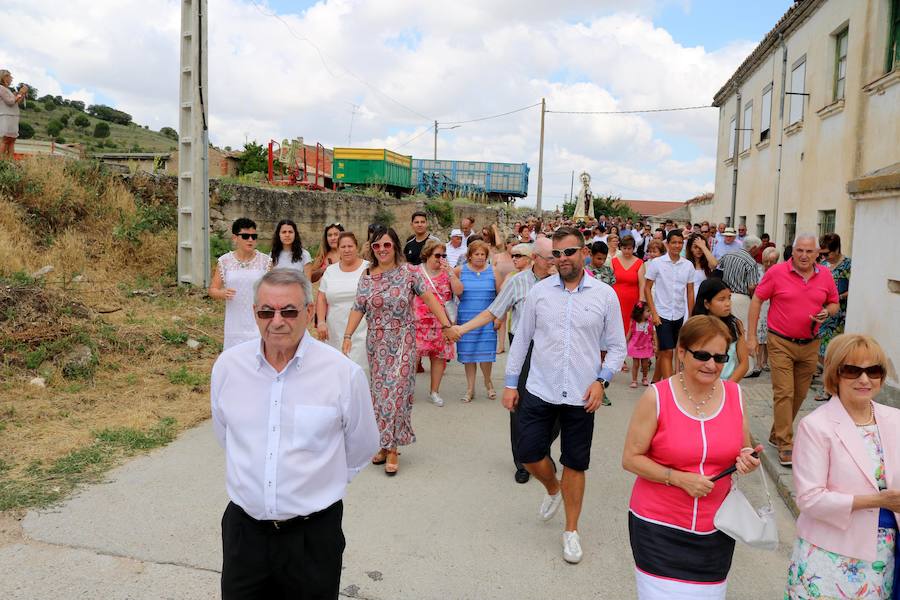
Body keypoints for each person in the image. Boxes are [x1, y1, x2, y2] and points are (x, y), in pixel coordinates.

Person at [211, 269, 379, 599]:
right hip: (245, 533)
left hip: (312, 538)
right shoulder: (228, 367)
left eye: (288, 311)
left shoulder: (343, 374)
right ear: (254, 313)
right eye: (266, 312)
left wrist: (313, 486)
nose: (277, 321)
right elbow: (227, 435)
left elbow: (362, 446)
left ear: (308, 311)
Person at [503, 226, 626, 564]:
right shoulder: (539, 293)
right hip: (540, 387)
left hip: (582, 394)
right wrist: (511, 384)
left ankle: (571, 531)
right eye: (556, 254)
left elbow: (617, 347)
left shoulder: (604, 295)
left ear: (583, 253)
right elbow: (521, 339)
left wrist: (602, 381)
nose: (562, 259)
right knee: (527, 453)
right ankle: (553, 488)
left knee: (575, 462)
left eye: (569, 252)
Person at [622, 315, 763, 599]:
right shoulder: (657, 396)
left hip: (716, 529)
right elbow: (631, 458)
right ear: (682, 353)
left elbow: (742, 448)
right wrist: (677, 479)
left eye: (720, 357)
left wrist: (747, 458)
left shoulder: (735, 395)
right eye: (702, 355)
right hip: (658, 526)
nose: (712, 365)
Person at [786, 334, 899, 600]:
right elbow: (810, 499)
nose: (864, 379)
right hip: (829, 554)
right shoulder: (816, 426)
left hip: (883, 553)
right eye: (852, 370)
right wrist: (877, 500)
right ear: (835, 375)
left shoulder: (894, 419)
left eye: (873, 371)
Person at [342, 226, 451, 476]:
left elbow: (430, 299)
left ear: (395, 247)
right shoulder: (367, 276)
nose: (381, 250)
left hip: (403, 338)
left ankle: (392, 449)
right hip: (377, 342)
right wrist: (348, 335)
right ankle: (383, 442)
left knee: (398, 393)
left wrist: (445, 324)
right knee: (380, 396)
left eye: (386, 245)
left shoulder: (409, 273)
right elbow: (358, 307)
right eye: (377, 245)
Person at [448, 237, 557, 484]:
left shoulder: (563, 282)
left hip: (554, 350)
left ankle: (540, 453)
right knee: (521, 406)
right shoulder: (518, 282)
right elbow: (493, 311)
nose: (556, 261)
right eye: (551, 257)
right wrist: (462, 329)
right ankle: (524, 460)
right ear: (536, 259)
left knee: (555, 409)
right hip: (525, 347)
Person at [747, 233, 840, 467]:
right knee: (784, 392)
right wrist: (750, 337)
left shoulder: (826, 275)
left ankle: (776, 432)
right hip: (780, 342)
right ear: (793, 250)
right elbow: (757, 299)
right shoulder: (776, 272)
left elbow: (834, 303)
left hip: (810, 343)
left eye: (809, 251)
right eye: (800, 250)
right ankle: (786, 443)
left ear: (817, 253)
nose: (804, 255)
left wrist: (827, 312)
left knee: (799, 394)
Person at [208, 218, 272, 350]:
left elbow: (273, 290)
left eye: (254, 236)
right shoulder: (224, 261)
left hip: (259, 319)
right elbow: (213, 289)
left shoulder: (265, 261)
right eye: (245, 236)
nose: (250, 240)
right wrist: (221, 293)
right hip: (234, 321)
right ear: (235, 238)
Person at [415, 240, 463, 407]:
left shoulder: (447, 273)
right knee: (413, 357)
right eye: (437, 255)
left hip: (441, 323)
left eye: (444, 255)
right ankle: (407, 391)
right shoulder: (416, 272)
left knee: (439, 359)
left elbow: (459, 291)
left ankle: (434, 392)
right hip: (419, 321)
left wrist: (450, 272)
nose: (441, 258)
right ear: (427, 254)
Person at [644, 230, 695, 381]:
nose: (677, 246)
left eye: (680, 242)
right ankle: (669, 387)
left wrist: (691, 316)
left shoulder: (688, 265)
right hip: (662, 314)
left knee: (676, 350)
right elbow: (647, 288)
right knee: (667, 352)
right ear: (667, 244)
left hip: (680, 314)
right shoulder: (657, 263)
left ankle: (655, 381)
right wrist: (654, 313)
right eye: (674, 242)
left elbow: (690, 292)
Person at [455, 240, 501, 402]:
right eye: (477, 254)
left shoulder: (494, 271)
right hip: (466, 317)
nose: (480, 257)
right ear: (469, 256)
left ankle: (488, 383)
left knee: (486, 355)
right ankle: (470, 388)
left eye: (483, 254)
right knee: (468, 354)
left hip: (487, 318)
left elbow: (501, 297)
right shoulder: (460, 271)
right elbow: (448, 286)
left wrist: (498, 318)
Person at [316, 232, 369, 370]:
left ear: (356, 247)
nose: (347, 250)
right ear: (338, 249)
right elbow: (321, 297)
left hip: (362, 330)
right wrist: (321, 321)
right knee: (336, 369)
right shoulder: (330, 271)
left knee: (359, 370)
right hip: (334, 329)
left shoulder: (368, 268)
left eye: (350, 246)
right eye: (343, 246)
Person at [814, 232, 852, 401]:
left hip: (838, 316)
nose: (824, 256)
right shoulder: (822, 265)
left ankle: (828, 388)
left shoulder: (848, 265)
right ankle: (831, 382)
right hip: (822, 314)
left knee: (831, 352)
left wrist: (839, 297)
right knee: (819, 351)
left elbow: (855, 288)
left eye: (827, 253)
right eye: (821, 253)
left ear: (836, 249)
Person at [692, 279, 750, 382]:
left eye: (729, 298)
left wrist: (727, 387)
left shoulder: (735, 325)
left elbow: (744, 363)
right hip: (699, 385)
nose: (728, 303)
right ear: (707, 304)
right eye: (721, 299)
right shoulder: (695, 327)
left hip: (726, 384)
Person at [714, 235, 761, 333]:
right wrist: (753, 299)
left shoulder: (729, 254)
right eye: (758, 249)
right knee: (741, 330)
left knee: (726, 328)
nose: (758, 252)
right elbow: (752, 286)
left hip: (725, 296)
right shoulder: (751, 262)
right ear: (754, 248)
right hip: (742, 299)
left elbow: (717, 266)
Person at [746, 246, 779, 378]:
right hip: (760, 305)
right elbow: (751, 288)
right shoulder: (758, 271)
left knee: (767, 336)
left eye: (772, 262)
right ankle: (758, 362)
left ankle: (765, 362)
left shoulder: (778, 272)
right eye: (766, 261)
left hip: (772, 306)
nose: (769, 264)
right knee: (759, 336)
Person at [611, 235, 642, 332]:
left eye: (629, 249)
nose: (627, 251)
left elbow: (642, 285)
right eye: (624, 248)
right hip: (616, 300)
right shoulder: (614, 261)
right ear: (620, 247)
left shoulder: (640, 263)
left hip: (633, 301)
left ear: (633, 248)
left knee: (630, 327)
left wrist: (641, 302)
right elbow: (610, 282)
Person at [684, 233, 717, 320]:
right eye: (695, 247)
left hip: (703, 299)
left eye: (700, 247)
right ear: (690, 248)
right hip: (687, 299)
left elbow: (714, 264)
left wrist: (703, 247)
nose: (699, 250)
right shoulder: (685, 263)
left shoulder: (707, 264)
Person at [626, 301, 655, 388]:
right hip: (636, 346)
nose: (650, 313)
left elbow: (653, 333)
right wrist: (625, 341)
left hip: (646, 345)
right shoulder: (634, 322)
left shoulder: (650, 321)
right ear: (641, 312)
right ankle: (634, 380)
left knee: (645, 364)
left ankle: (645, 378)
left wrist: (655, 343)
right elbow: (630, 332)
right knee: (635, 364)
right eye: (647, 311)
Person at [0, 70, 27, 159]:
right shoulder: (1, 88)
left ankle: (10, 162)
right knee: (5, 139)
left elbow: (17, 102)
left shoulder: (7, 90)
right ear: (4, 77)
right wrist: (20, 93)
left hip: (13, 117)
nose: (12, 78)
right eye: (10, 76)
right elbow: (10, 102)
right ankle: (1, 162)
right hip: (6, 116)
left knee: (12, 140)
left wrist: (22, 94)